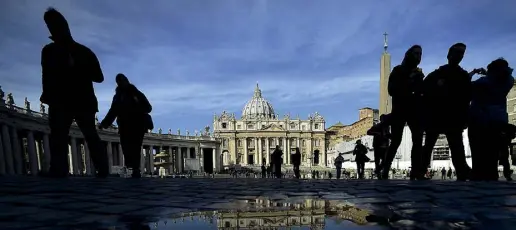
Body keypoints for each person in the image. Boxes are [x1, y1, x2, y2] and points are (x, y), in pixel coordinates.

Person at [40, 8, 108, 178]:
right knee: (59, 136)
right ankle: (59, 169)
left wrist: (76, 67)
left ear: (64, 26)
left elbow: (99, 77)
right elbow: (46, 76)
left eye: (55, 25)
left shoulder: (82, 52)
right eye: (50, 25)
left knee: (88, 135)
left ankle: (103, 169)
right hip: (63, 100)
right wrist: (47, 95)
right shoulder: (49, 51)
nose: (53, 29)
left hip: (80, 100)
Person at [421, 43, 473, 181]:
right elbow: (424, 92)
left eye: (461, 53)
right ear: (449, 55)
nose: (459, 56)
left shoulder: (463, 76)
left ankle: (461, 171)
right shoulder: (437, 74)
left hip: (454, 116)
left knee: (456, 146)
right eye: (457, 52)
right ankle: (420, 170)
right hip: (436, 115)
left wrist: (465, 117)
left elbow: (467, 98)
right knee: (429, 145)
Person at [382, 45, 425, 180]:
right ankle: (385, 169)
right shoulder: (398, 70)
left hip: (415, 110)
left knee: (418, 140)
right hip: (400, 110)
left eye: (420, 54)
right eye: (416, 54)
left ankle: (416, 172)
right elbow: (391, 90)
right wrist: (409, 79)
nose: (418, 57)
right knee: (396, 141)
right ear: (409, 55)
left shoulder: (419, 73)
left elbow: (421, 91)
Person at [469, 58, 514, 181]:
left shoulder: (483, 82)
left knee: (478, 152)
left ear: (493, 70)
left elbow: (466, 86)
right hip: (499, 120)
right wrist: (488, 73)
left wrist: (473, 73)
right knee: (493, 154)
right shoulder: (509, 81)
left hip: (480, 120)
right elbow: (501, 78)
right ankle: (492, 177)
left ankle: (479, 178)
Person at [99, 74, 152, 178]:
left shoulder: (137, 93)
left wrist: (138, 108)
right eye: (119, 81)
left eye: (123, 80)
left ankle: (136, 169)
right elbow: (113, 111)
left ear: (127, 81)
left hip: (137, 125)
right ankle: (131, 166)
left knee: (136, 147)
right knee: (126, 147)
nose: (122, 83)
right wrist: (105, 123)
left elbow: (148, 108)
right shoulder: (118, 96)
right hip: (124, 126)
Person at [367, 114, 391, 179]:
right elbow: (368, 132)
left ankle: (378, 170)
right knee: (377, 161)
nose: (385, 120)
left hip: (385, 145)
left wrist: (390, 136)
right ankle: (378, 174)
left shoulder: (387, 127)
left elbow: (388, 134)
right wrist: (376, 133)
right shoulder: (377, 126)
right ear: (381, 119)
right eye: (384, 119)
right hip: (377, 145)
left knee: (385, 160)